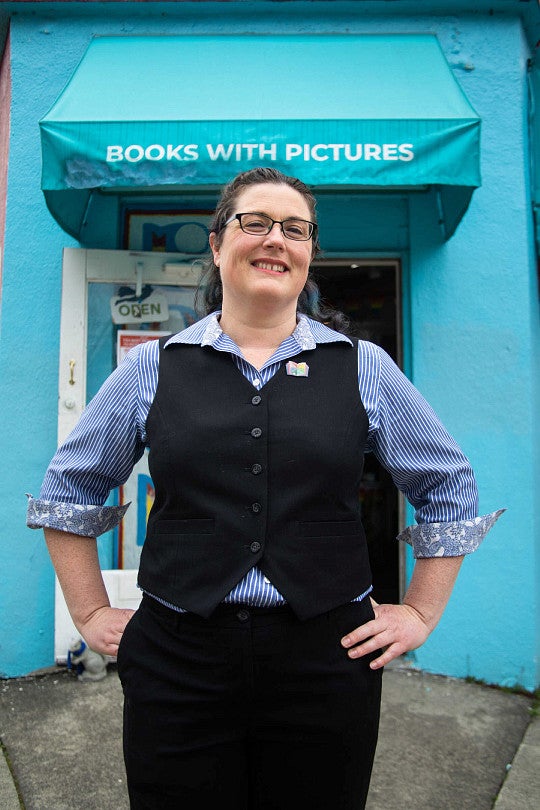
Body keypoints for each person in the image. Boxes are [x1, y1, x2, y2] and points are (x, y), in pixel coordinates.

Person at [27, 167, 503, 810]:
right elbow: (70, 489)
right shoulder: (150, 368)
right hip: (180, 655)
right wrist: (88, 612)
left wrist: (420, 610)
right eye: (256, 222)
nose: (277, 238)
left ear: (309, 257)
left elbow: (447, 482)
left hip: (326, 655)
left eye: (296, 229)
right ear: (219, 245)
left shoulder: (363, 366)